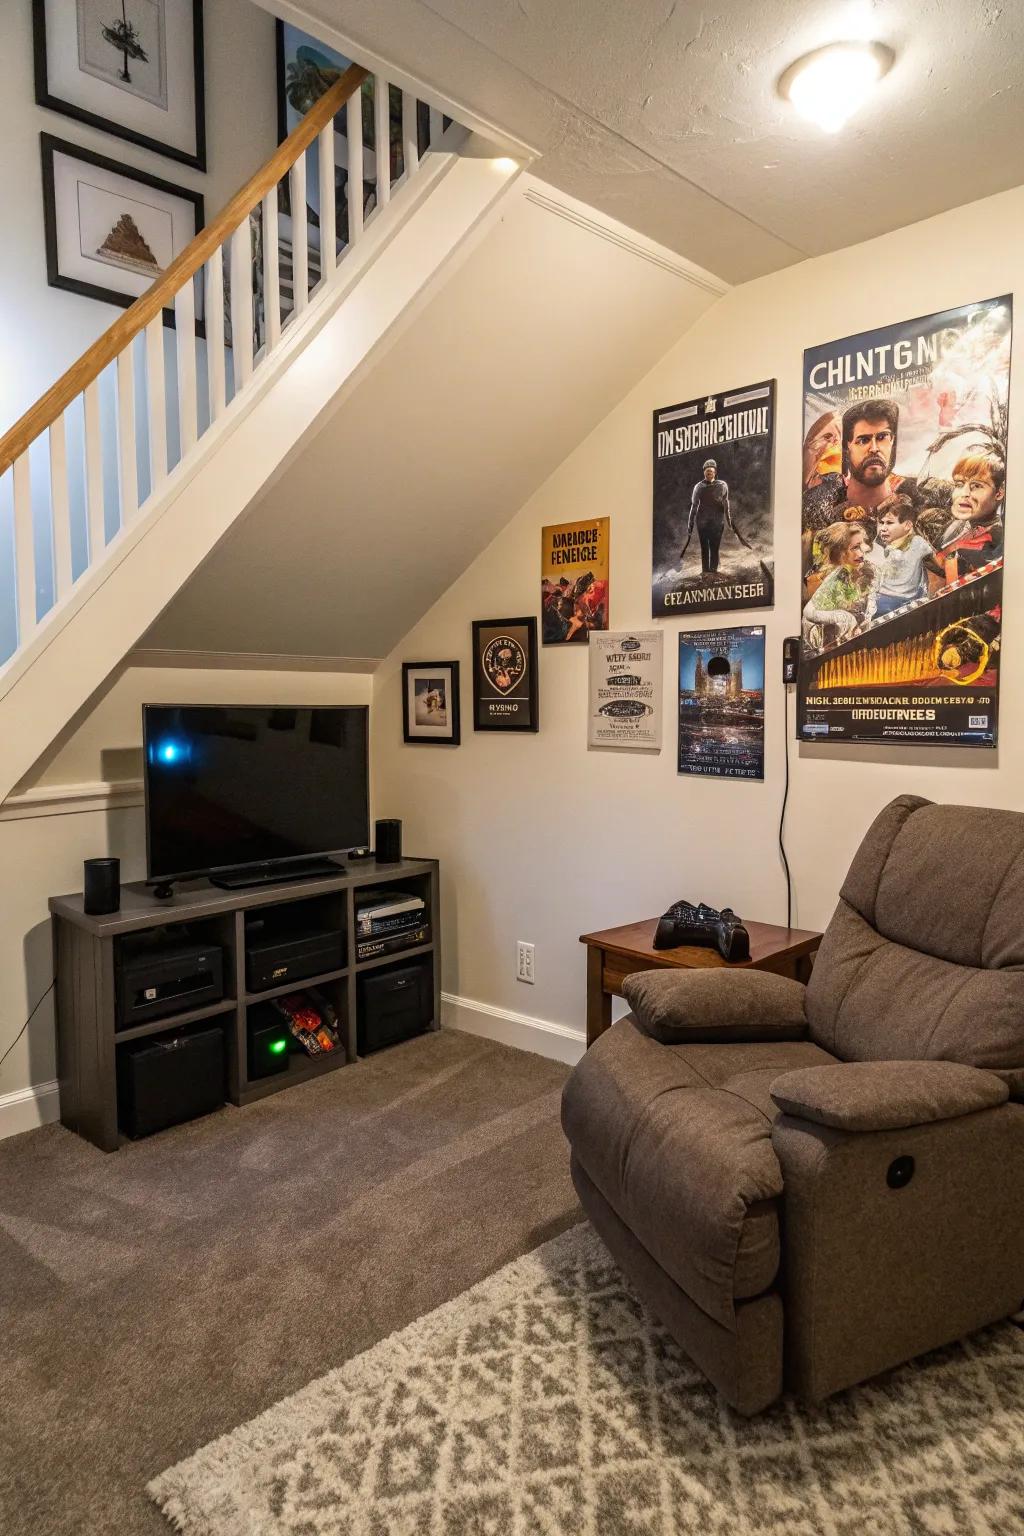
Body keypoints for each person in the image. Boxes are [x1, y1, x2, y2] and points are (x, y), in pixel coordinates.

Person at [803, 398, 918, 530]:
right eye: (863, 440)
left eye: (882, 437)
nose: (874, 448)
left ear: (892, 441)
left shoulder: (918, 496)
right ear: (846, 448)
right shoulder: (818, 505)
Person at [802, 521, 879, 654]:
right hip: (827, 648)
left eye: (861, 545)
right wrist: (841, 616)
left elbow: (868, 608)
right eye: (854, 548)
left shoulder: (870, 569)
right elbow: (809, 612)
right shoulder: (831, 578)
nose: (861, 553)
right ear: (840, 553)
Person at [868, 494, 943, 616]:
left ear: (907, 525)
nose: (883, 528)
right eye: (881, 523)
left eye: (889, 523)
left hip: (902, 602)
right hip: (878, 600)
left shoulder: (918, 543)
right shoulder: (873, 545)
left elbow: (938, 572)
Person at [940, 452, 1005, 580]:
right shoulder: (956, 526)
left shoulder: (998, 537)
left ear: (998, 493)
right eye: (959, 485)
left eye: (977, 486)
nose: (964, 493)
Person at [684, 459, 734, 575]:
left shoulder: (722, 485)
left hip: (717, 522)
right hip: (702, 523)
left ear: (715, 472)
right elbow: (694, 506)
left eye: (711, 471)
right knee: (705, 549)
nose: (709, 473)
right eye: (707, 472)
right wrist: (690, 525)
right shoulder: (698, 487)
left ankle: (714, 571)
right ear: (704, 473)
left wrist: (729, 520)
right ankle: (705, 572)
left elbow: (726, 503)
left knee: (715, 548)